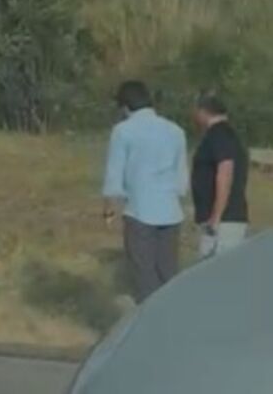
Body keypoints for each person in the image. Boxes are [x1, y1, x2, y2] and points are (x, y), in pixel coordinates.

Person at [102, 81, 189, 304]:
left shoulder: (123, 131)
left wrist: (109, 210)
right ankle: (173, 320)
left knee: (144, 275)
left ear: (124, 107)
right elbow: (181, 177)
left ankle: (151, 327)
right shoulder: (175, 130)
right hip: (171, 212)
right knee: (168, 273)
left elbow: (114, 175)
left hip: (140, 211)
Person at [191, 92, 249, 259]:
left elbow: (225, 171)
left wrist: (215, 218)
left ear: (203, 111)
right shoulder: (228, 135)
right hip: (225, 219)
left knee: (213, 274)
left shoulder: (218, 135)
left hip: (222, 221)